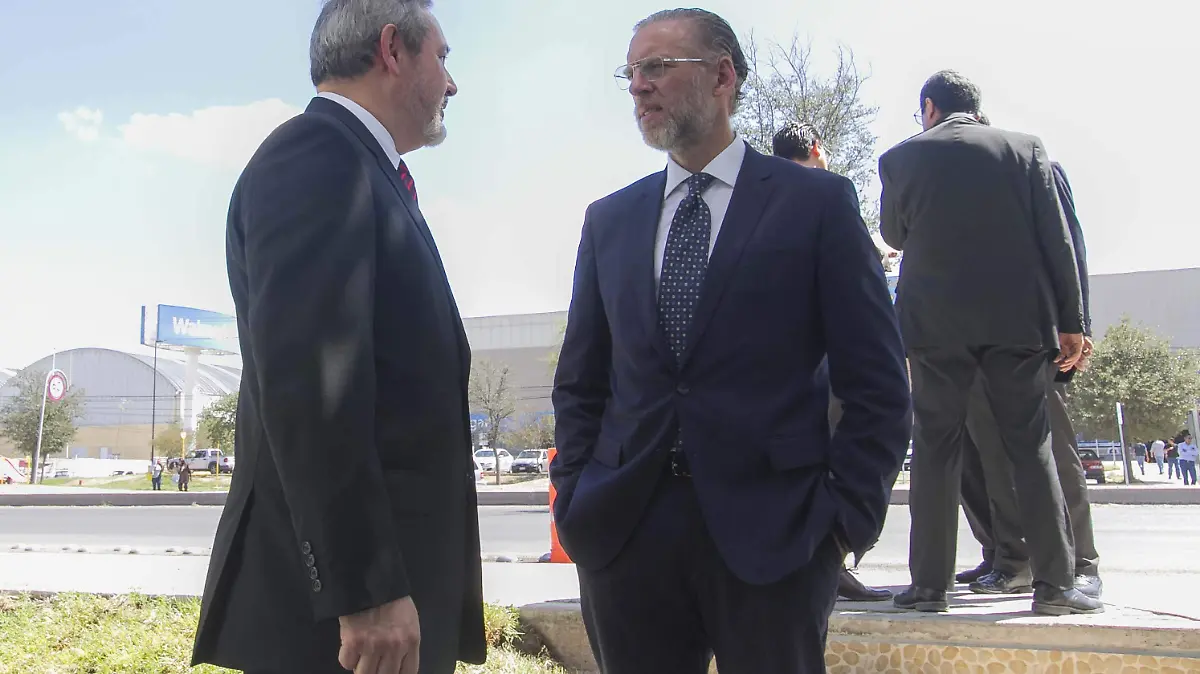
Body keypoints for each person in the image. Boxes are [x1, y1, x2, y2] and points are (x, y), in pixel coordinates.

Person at [551, 9, 912, 673]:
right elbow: (582, 382)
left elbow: (879, 386)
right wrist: (575, 496)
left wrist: (841, 524)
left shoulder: (817, 205)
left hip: (777, 537)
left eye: (657, 67)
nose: (638, 86)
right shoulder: (610, 221)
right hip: (625, 537)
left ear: (723, 76)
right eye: (630, 72)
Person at [190, 2, 487, 673]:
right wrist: (368, 590)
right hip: (344, 629)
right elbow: (312, 386)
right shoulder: (318, 157)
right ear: (392, 50)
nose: (451, 81)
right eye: (442, 56)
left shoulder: (365, 171)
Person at [879, 69, 1102, 615]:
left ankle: (930, 586)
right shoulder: (1027, 150)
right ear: (977, 108)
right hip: (1018, 326)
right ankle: (1055, 586)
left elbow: (893, 235)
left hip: (935, 330)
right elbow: (1057, 239)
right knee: (1032, 449)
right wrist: (1072, 323)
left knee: (936, 449)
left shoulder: (901, 158)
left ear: (929, 107)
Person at [953, 134, 1104, 600]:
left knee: (1053, 450)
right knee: (987, 457)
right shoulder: (955, 188)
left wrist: (1076, 323)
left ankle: (1080, 562)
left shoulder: (1040, 172)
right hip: (975, 341)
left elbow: (1068, 251)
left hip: (1037, 340)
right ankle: (1011, 558)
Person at [771, 120, 892, 604]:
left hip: (787, 363)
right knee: (842, 450)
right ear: (817, 148)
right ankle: (835, 553)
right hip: (837, 353)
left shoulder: (763, 200)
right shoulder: (829, 192)